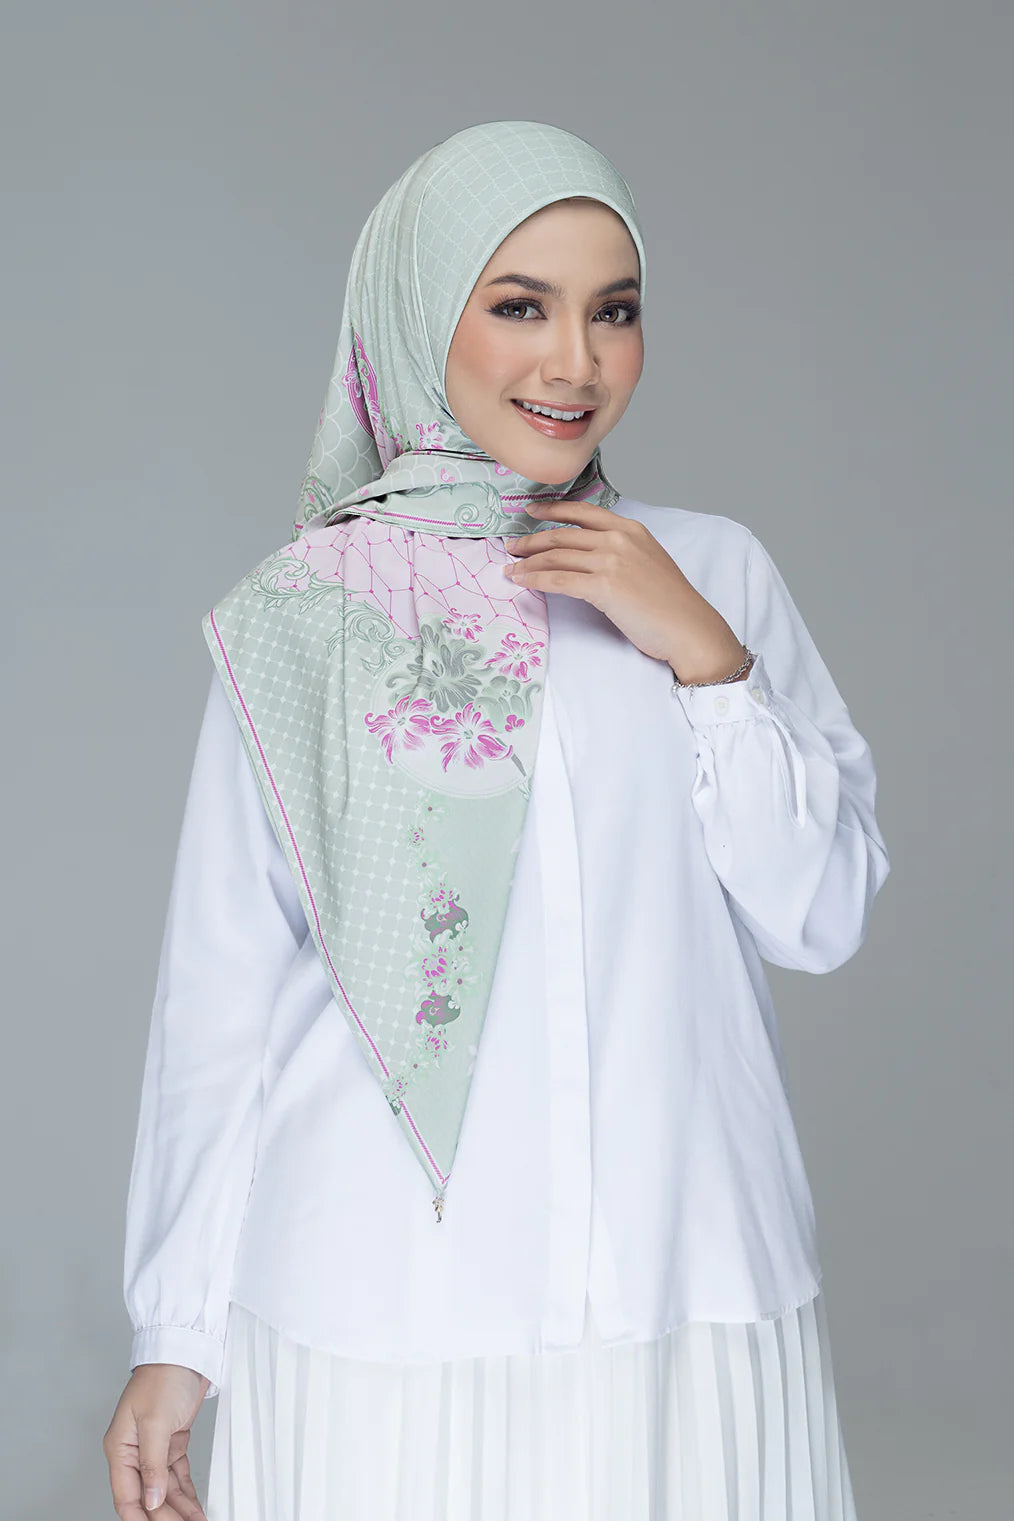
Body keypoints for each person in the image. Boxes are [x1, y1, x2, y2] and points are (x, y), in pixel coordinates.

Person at [103, 119, 890, 1521]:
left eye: (614, 312)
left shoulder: (710, 574)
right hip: (385, 1308)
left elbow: (819, 915)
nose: (574, 361)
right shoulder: (309, 615)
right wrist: (176, 1332)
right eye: (521, 305)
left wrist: (705, 660)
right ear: (420, 316)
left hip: (686, 1286)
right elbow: (221, 1001)